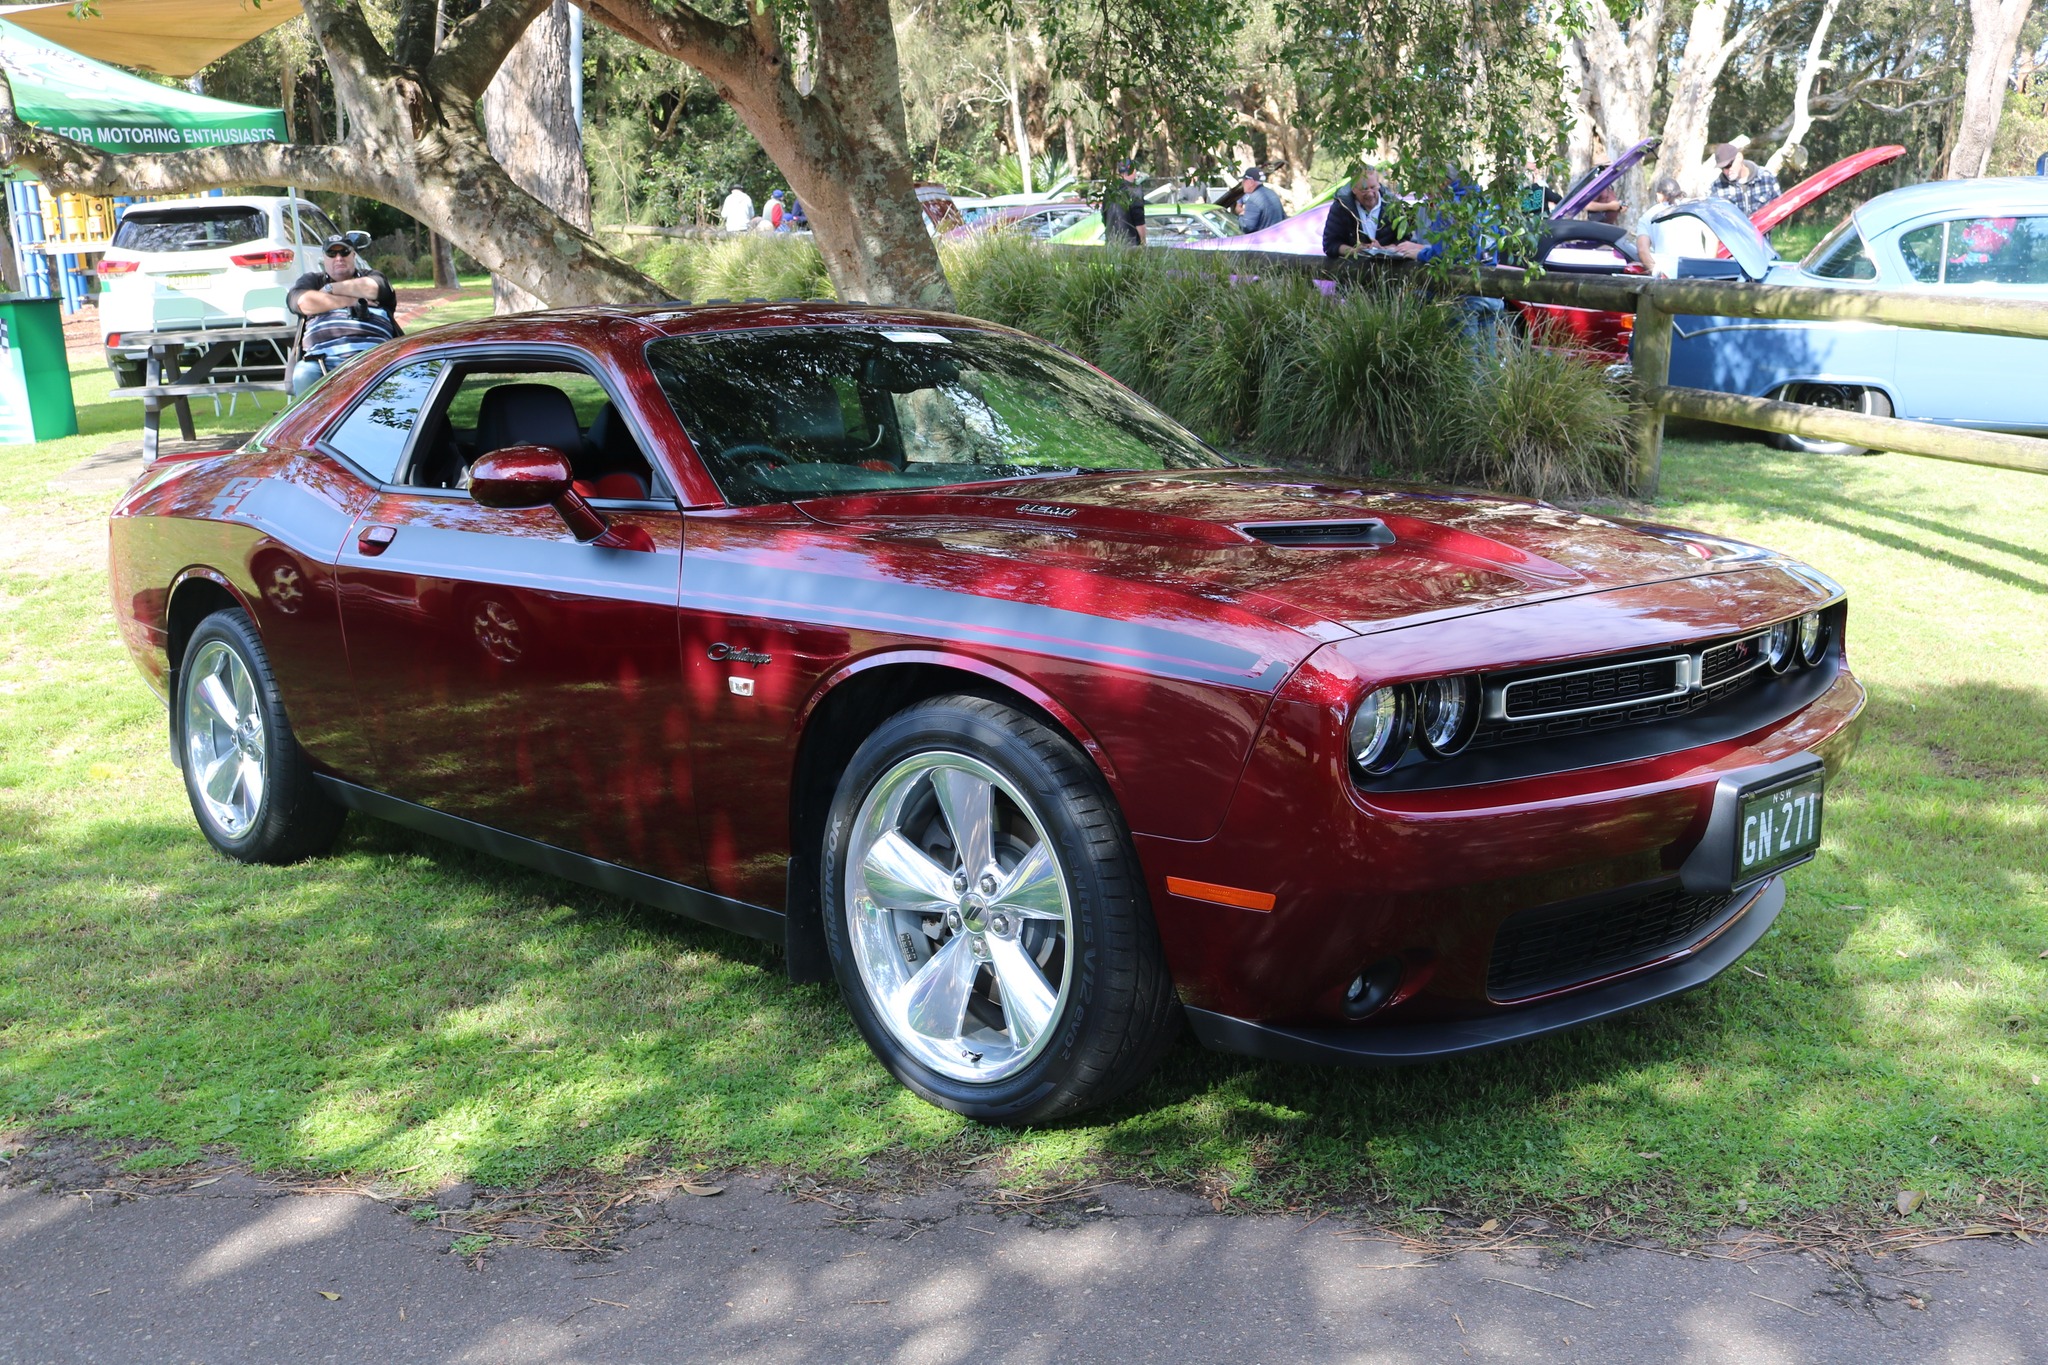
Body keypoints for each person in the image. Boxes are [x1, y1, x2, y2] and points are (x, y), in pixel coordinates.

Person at [286, 233, 400, 396]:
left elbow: (375, 288)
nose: (338, 258)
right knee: (303, 374)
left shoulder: (371, 275)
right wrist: (352, 301)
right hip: (321, 362)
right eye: (332, 254)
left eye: (344, 252)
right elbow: (301, 302)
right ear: (324, 258)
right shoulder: (312, 281)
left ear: (353, 255)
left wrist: (330, 289)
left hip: (376, 357)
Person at [1633, 176, 1720, 277]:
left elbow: (1642, 250)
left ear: (1659, 195)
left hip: (1667, 274)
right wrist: (1707, 268)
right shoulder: (1696, 208)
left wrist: (1656, 272)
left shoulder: (1648, 215)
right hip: (1697, 271)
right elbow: (1712, 237)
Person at [1322, 165, 1397, 259]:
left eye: (1373, 187)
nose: (1370, 194)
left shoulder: (1393, 205)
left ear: (1379, 185)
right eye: (1364, 189)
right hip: (1354, 265)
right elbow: (1330, 245)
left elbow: (1406, 240)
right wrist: (1355, 251)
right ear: (1354, 189)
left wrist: (1384, 250)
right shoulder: (1341, 207)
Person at [1709, 142, 1782, 217]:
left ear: (1739, 157)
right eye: (1722, 168)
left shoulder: (1766, 178)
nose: (1726, 171)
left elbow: (1779, 209)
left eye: (1728, 165)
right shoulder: (1716, 188)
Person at [1102, 160, 1147, 247]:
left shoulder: (1109, 191)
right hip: (1131, 244)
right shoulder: (1135, 191)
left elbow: (1104, 218)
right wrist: (1143, 242)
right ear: (1132, 171)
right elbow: (1139, 220)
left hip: (1111, 244)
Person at [1235, 166, 1286, 235]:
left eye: (1244, 181)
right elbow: (1283, 217)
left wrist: (1241, 216)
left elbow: (1247, 227)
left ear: (1251, 182)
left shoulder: (1253, 200)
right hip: (1277, 237)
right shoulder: (1272, 193)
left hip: (1263, 240)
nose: (1242, 183)